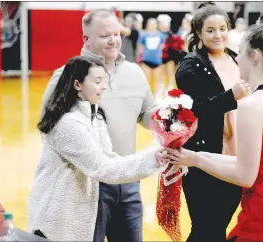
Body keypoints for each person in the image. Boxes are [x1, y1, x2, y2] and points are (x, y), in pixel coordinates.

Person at [169, 23, 263, 242]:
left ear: (254, 56)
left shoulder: (253, 105)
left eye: (241, 51)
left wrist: (197, 160)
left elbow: (245, 175)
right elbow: (251, 163)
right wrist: (194, 157)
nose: (237, 58)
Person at [40, 9, 158, 242]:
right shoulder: (65, 77)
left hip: (127, 180)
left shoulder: (134, 73)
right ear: (86, 39)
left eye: (117, 33)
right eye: (105, 36)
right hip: (86, 187)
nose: (114, 40)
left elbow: (147, 113)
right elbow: (49, 129)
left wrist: (171, 122)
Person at [28, 56, 168, 241]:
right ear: (77, 85)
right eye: (97, 81)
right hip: (56, 219)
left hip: (76, 214)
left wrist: (156, 157)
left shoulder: (95, 116)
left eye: (104, 80)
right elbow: (102, 168)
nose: (104, 87)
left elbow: (109, 158)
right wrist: (153, 159)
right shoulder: (67, 124)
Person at [175, 3, 250, 241]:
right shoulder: (191, 65)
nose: (218, 35)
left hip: (235, 155)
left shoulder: (237, 59)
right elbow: (195, 109)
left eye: (222, 28)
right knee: (206, 227)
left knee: (219, 225)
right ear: (198, 33)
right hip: (203, 157)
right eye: (210, 30)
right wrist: (231, 96)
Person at [138, 18, 165, 98]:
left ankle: (156, 97)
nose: (152, 25)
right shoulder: (144, 35)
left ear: (156, 25)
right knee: (147, 81)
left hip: (157, 61)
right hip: (146, 60)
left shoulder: (161, 35)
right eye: (151, 23)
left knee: (157, 81)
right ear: (148, 24)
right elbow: (140, 47)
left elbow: (163, 47)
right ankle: (147, 98)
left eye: (154, 23)